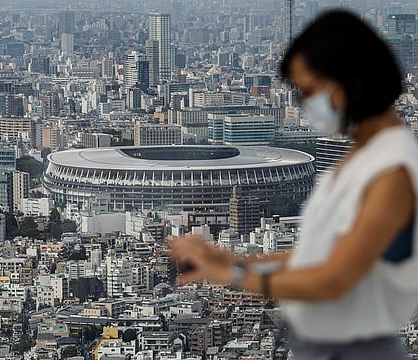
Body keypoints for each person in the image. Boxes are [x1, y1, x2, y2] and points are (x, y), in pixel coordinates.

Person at [169, 9, 418, 360]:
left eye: (310, 90)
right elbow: (321, 255)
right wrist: (236, 262)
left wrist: (232, 276)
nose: (305, 104)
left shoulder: (392, 169)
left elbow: (335, 279)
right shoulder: (363, 157)